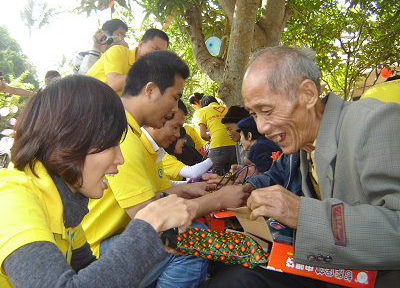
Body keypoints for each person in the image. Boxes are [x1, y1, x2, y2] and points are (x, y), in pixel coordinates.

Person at [203, 46, 400, 288]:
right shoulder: (299, 144)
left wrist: (302, 214)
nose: (262, 127)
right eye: (254, 114)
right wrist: (240, 190)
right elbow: (274, 177)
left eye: (267, 110)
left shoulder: (375, 123)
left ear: (308, 94)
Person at [0, 75, 198, 288]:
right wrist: (146, 230)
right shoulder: (11, 198)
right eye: (111, 144)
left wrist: (154, 245)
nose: (120, 159)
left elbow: (86, 268)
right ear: (71, 140)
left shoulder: (66, 204)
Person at [82, 50, 252, 288]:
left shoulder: (133, 135)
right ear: (150, 90)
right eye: (174, 97)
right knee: (192, 239)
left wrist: (188, 191)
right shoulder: (122, 137)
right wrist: (218, 200)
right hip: (99, 251)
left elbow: (156, 197)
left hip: (117, 237)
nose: (174, 109)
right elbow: (152, 219)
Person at [86, 28, 168, 95]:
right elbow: (113, 84)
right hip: (83, 100)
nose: (158, 55)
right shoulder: (118, 51)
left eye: (162, 53)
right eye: (155, 49)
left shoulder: (150, 73)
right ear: (141, 45)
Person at [161, 104, 213, 182]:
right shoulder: (162, 156)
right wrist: (211, 161)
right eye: (175, 127)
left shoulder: (173, 156)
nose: (177, 134)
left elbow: (170, 184)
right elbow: (192, 172)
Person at [197, 95, 237, 175]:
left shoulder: (203, 110)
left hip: (217, 147)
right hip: (235, 147)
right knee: (232, 176)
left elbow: (203, 135)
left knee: (214, 178)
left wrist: (211, 140)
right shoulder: (227, 108)